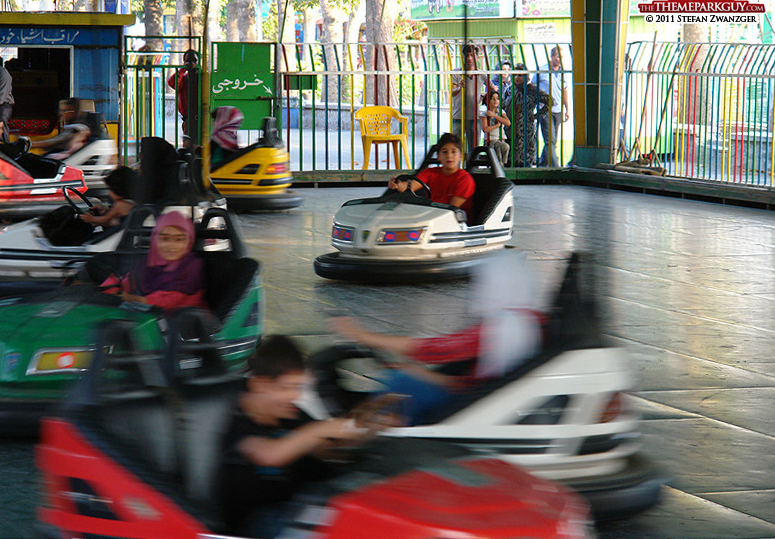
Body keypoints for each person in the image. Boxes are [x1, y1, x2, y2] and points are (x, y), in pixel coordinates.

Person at [329, 250, 542, 425]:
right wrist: (413, 371)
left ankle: (372, 439)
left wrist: (361, 335)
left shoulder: (503, 327)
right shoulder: (531, 319)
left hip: (473, 407)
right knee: (402, 375)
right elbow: (467, 382)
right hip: (475, 394)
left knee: (399, 382)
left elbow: (432, 350)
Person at [219, 335, 370, 537]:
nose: (295, 396)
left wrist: (368, 426)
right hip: (257, 524)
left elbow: (329, 453)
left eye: (298, 387)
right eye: (286, 388)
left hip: (304, 504)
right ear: (259, 385)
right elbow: (268, 455)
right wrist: (319, 430)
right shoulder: (235, 418)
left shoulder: (288, 412)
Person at [103, 211, 204, 311]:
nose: (171, 245)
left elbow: (170, 302)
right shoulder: (147, 262)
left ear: (189, 241)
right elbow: (127, 282)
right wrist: (111, 288)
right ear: (154, 240)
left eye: (179, 239)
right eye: (165, 238)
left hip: (184, 322)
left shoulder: (192, 266)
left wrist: (131, 298)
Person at [387, 133, 475, 215]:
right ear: (438, 156)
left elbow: (452, 210)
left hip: (455, 222)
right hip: (431, 215)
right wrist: (397, 185)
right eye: (444, 152)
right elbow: (410, 187)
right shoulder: (430, 173)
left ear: (460, 156)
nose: (449, 156)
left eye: (453, 152)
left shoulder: (465, 179)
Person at [503, 63, 551, 168]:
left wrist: (537, 115)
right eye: (515, 75)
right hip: (510, 126)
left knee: (524, 153)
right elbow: (503, 104)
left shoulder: (532, 89)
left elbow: (550, 101)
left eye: (520, 75)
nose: (517, 78)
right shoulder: (510, 89)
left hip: (526, 127)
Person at [532, 46, 569, 167]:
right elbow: (532, 86)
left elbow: (564, 90)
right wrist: (536, 103)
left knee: (553, 140)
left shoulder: (563, 72)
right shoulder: (542, 70)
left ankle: (542, 163)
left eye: (561, 57)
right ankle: (555, 166)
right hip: (545, 109)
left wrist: (567, 109)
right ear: (552, 56)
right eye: (557, 56)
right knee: (550, 139)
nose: (559, 59)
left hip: (558, 110)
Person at [451, 45, 485, 149]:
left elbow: (493, 89)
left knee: (473, 149)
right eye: (467, 55)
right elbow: (451, 92)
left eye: (472, 55)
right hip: (458, 116)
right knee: (455, 148)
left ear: (477, 57)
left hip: (474, 116)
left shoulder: (481, 74)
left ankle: (472, 166)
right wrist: (460, 88)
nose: (469, 58)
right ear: (462, 57)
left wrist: (482, 97)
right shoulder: (456, 73)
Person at [167, 50, 200, 147]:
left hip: (203, 120)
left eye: (194, 60)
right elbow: (172, 83)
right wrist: (182, 69)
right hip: (189, 121)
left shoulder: (204, 78)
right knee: (188, 148)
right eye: (188, 61)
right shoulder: (183, 79)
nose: (191, 63)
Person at [480, 90, 511, 165]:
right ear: (488, 101)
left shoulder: (500, 112)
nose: (496, 101)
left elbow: (508, 123)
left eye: (497, 98)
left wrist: (495, 116)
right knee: (498, 152)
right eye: (493, 99)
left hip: (501, 138)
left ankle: (502, 164)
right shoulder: (484, 114)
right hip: (491, 140)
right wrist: (496, 126)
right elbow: (485, 129)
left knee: (505, 147)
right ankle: (499, 166)